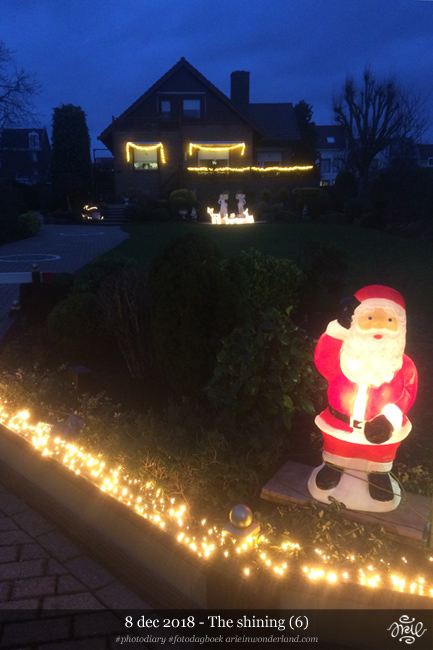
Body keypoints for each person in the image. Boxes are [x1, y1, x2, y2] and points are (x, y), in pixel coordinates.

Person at [308, 285, 418, 512]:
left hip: (380, 430)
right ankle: (333, 467)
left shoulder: (403, 367)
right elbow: (322, 359)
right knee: (337, 448)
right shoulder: (343, 357)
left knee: (379, 454)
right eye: (369, 318)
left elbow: (408, 394)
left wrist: (389, 419)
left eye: (388, 321)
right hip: (340, 424)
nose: (378, 326)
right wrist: (339, 326)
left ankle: (378, 475)